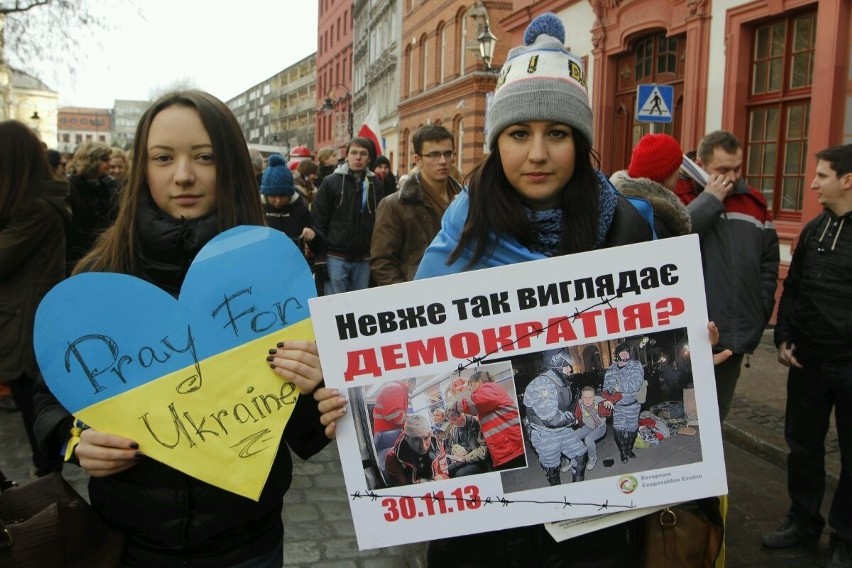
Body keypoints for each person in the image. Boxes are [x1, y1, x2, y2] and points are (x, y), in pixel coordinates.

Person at [32, 90, 335, 567]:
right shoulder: (99, 276)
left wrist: (318, 385)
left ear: (231, 165)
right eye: (163, 157)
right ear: (142, 168)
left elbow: (305, 433)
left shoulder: (275, 276)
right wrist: (73, 439)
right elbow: (48, 393)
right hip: (129, 543)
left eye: (205, 157)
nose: (183, 175)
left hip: (247, 543)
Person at [415, 13, 653, 565]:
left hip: (591, 514)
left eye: (558, 134)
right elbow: (413, 341)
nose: (538, 154)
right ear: (498, 141)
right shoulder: (463, 228)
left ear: (582, 142)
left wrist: (693, 335)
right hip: (486, 515)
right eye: (520, 134)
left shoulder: (630, 227)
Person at [761, 144, 852, 568]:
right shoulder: (814, 230)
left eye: (822, 175)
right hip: (807, 364)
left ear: (847, 180)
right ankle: (803, 520)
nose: (812, 183)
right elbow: (793, 289)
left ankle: (845, 537)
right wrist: (783, 336)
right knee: (803, 447)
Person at [674, 130, 780, 422]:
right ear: (700, 164)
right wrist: (710, 200)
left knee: (714, 422)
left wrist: (760, 311)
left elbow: (768, 264)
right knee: (685, 423)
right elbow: (673, 246)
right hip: (688, 336)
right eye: (722, 170)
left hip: (733, 336)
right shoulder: (679, 195)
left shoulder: (754, 203)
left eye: (737, 169)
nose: (731, 177)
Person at [0, 120, 69, 478]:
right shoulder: (28, 206)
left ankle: (50, 505)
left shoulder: (35, 210)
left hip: (23, 332)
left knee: (38, 424)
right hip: (19, 326)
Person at [371, 124, 463, 285]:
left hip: (462, 290)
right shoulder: (394, 205)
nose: (443, 161)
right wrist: (407, 299)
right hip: (418, 294)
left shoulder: (466, 200)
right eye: (434, 154)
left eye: (448, 154)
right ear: (418, 160)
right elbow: (382, 262)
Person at [312, 136, 387, 294]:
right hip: (336, 256)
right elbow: (319, 220)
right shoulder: (331, 182)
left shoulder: (376, 185)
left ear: (369, 158)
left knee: (360, 307)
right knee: (335, 306)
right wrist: (320, 257)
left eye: (363, 153)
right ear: (346, 156)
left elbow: (382, 223)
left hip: (365, 258)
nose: (358, 157)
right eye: (353, 152)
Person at [523, 348, 588, 485]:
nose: (570, 369)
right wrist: (574, 418)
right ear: (557, 363)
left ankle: (578, 490)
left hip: (563, 430)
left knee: (580, 455)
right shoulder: (542, 385)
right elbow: (552, 419)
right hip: (545, 435)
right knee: (553, 470)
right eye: (567, 365)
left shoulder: (557, 380)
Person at [610, 133, 691, 238]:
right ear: (665, 175)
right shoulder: (657, 220)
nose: (679, 173)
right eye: (677, 167)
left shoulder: (618, 202)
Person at [452, 371, 525, 472]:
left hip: (510, 446)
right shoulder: (492, 390)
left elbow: (472, 404)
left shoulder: (489, 388)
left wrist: (457, 400)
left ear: (479, 381)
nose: (471, 391)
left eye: (472, 386)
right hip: (508, 445)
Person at [260, 153, 324, 265]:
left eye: (282, 196)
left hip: (293, 266)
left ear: (290, 194)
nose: (278, 200)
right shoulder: (258, 210)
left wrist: (312, 235)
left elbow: (320, 247)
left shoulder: (300, 209)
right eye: (273, 196)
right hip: (264, 266)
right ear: (265, 195)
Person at [66, 141, 118, 274]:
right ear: (91, 160)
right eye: (105, 160)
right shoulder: (70, 186)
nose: (109, 164)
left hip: (99, 253)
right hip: (75, 253)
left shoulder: (106, 185)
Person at [602, 342, 644, 464]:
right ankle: (622, 452)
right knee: (618, 429)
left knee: (632, 429)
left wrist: (619, 387)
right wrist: (608, 395)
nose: (625, 354)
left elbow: (637, 383)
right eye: (622, 352)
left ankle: (629, 449)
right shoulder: (611, 369)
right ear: (618, 355)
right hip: (617, 407)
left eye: (627, 352)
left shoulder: (636, 365)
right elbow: (606, 387)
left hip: (632, 406)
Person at [384, 414, 450, 486]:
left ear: (430, 435)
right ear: (406, 437)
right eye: (416, 439)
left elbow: (444, 475)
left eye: (426, 438)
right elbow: (402, 489)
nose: (423, 446)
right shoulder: (392, 457)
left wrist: (441, 478)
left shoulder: (438, 447)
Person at [444, 409, 489, 477]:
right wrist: (452, 458)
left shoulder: (477, 424)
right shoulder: (454, 429)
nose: (451, 424)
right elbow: (450, 447)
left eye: (452, 421)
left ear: (460, 417)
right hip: (461, 460)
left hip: (477, 461)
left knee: (460, 474)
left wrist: (465, 458)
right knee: (446, 472)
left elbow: (484, 450)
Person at [573, 386, 608, 471]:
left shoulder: (599, 400)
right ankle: (573, 458)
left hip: (600, 427)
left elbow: (611, 397)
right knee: (572, 437)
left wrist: (610, 401)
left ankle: (592, 458)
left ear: (594, 397)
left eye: (590, 397)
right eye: (585, 397)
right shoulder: (580, 404)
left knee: (588, 439)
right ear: (582, 398)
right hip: (588, 427)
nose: (588, 400)